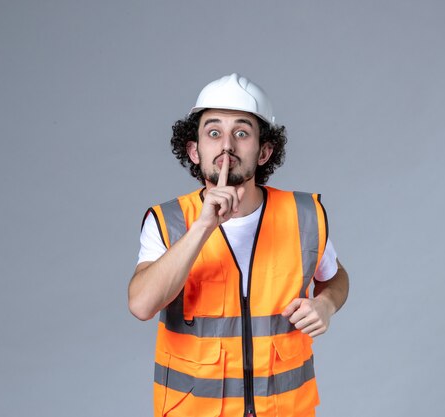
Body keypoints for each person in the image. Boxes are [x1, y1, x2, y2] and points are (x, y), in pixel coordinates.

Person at [128, 73, 349, 417]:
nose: (227, 145)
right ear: (194, 149)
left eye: (241, 133)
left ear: (264, 151)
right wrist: (203, 226)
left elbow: (335, 277)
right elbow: (141, 305)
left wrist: (326, 304)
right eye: (213, 133)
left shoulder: (303, 215)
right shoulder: (169, 221)